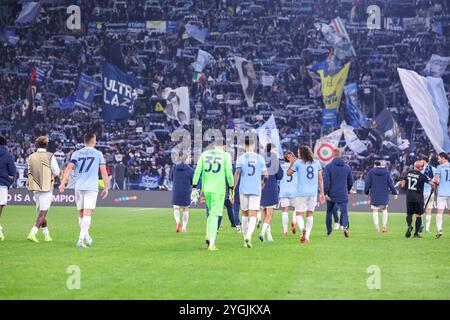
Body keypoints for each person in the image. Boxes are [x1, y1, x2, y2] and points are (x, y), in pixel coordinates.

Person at [59, 133, 109, 248]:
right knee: (88, 214)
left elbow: (68, 168)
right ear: (93, 141)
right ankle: (80, 240)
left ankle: (87, 238)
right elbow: (104, 172)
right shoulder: (98, 154)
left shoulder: (77, 153)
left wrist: (63, 183)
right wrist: (106, 187)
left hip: (79, 187)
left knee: (81, 214)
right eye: (95, 139)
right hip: (91, 188)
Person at [191, 139, 234, 251]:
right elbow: (229, 173)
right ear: (224, 146)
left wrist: (194, 187)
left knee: (211, 213)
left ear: (214, 146)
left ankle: (208, 234)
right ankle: (212, 243)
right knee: (215, 214)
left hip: (207, 189)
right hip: (218, 189)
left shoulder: (204, 154)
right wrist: (231, 187)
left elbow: (197, 171)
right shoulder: (226, 156)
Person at [234, 136, 268, 248]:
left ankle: (245, 239)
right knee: (253, 214)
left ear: (245, 146)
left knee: (244, 213)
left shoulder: (241, 158)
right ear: (254, 146)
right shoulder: (260, 158)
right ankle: (249, 235)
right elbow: (266, 175)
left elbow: (237, 174)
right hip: (255, 189)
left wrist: (232, 188)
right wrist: (263, 182)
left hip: (243, 189)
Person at [287, 145, 325, 243]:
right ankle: (306, 237)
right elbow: (320, 179)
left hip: (301, 193)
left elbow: (288, 173)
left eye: (299, 152)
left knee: (299, 214)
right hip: (313, 193)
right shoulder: (317, 163)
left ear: (302, 153)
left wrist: (292, 163)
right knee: (310, 214)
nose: (298, 154)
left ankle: (302, 228)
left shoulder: (298, 162)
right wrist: (322, 193)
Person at [26, 136, 61, 242]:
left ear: (37, 145)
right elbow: (56, 171)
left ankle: (47, 235)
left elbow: (29, 171)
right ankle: (33, 232)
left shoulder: (31, 156)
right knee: (43, 212)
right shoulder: (50, 156)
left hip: (35, 188)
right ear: (46, 144)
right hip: (46, 187)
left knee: (42, 211)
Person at [401, 160, 435, 238]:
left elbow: (402, 185)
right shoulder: (422, 176)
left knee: (409, 214)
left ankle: (409, 226)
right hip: (418, 198)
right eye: (422, 166)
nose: (423, 167)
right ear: (420, 168)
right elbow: (432, 184)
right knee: (418, 215)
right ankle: (416, 234)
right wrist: (433, 188)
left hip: (409, 197)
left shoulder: (407, 173)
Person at [324, 149, 354, 237]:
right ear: (340, 155)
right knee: (344, 212)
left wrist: (326, 193)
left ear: (333, 155)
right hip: (343, 193)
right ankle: (345, 227)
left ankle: (329, 232)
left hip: (331, 194)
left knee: (329, 212)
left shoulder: (328, 167)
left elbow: (326, 182)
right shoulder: (347, 167)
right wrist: (347, 190)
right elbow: (351, 181)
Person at [364, 160, 399, 233]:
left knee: (375, 210)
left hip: (374, 195)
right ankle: (384, 226)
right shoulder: (386, 172)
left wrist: (366, 192)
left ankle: (377, 228)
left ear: (374, 165)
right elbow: (391, 184)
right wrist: (394, 193)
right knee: (384, 210)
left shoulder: (371, 172)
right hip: (384, 195)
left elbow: (367, 183)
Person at [259, 144, 283, 243]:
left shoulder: (260, 159)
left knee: (265, 212)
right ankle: (262, 233)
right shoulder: (275, 160)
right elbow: (280, 175)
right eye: (275, 150)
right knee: (270, 214)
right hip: (272, 188)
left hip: (261, 187)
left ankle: (269, 236)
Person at [169, 153, 194, 233]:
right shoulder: (190, 169)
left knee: (176, 208)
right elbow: (193, 181)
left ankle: (177, 222)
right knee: (186, 209)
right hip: (186, 190)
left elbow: (170, 178)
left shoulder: (174, 168)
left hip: (176, 190)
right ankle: (184, 227)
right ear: (186, 159)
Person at [0, 136, 16, 241]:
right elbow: (12, 171)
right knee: (0, 206)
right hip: (2, 184)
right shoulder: (7, 154)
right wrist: (9, 180)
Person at [279, 151, 299, 236]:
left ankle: (285, 231)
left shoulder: (281, 167)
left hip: (284, 191)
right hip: (295, 191)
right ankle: (294, 220)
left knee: (285, 211)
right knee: (298, 209)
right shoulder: (297, 167)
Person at [433, 152, 450, 239]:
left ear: (443, 158)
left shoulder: (439, 167)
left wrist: (435, 183)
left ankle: (439, 230)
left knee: (440, 212)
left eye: (439, 158)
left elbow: (436, 180)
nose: (438, 160)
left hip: (442, 192)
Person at [421, 155, 436, 234]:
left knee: (420, 210)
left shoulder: (420, 169)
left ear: (423, 161)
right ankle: (427, 229)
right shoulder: (434, 169)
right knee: (429, 210)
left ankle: (421, 224)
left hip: (421, 192)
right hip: (430, 192)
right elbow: (436, 179)